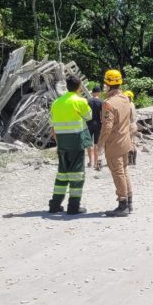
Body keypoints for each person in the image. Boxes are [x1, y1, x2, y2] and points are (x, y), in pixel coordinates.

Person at [48, 76, 93, 215]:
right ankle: (73, 206)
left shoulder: (56, 102)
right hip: (76, 141)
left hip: (61, 142)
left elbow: (52, 123)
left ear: (66, 86)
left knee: (62, 174)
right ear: (79, 86)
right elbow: (89, 116)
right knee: (77, 174)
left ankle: (55, 205)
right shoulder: (80, 101)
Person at [98, 69, 135, 217]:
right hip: (125, 142)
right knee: (124, 171)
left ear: (107, 85)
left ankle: (122, 204)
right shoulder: (126, 98)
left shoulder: (108, 104)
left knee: (118, 173)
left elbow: (107, 127)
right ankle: (129, 202)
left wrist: (100, 144)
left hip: (114, 144)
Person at [86, 84, 103, 169]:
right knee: (96, 143)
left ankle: (90, 162)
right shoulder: (101, 102)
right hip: (98, 123)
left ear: (92, 93)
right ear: (99, 93)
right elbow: (102, 115)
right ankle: (96, 162)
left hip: (89, 123)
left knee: (89, 143)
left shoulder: (88, 101)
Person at [124, 90, 138, 166]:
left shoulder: (127, 105)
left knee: (129, 143)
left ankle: (130, 161)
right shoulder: (132, 104)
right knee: (133, 142)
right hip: (134, 125)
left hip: (129, 125)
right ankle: (134, 161)